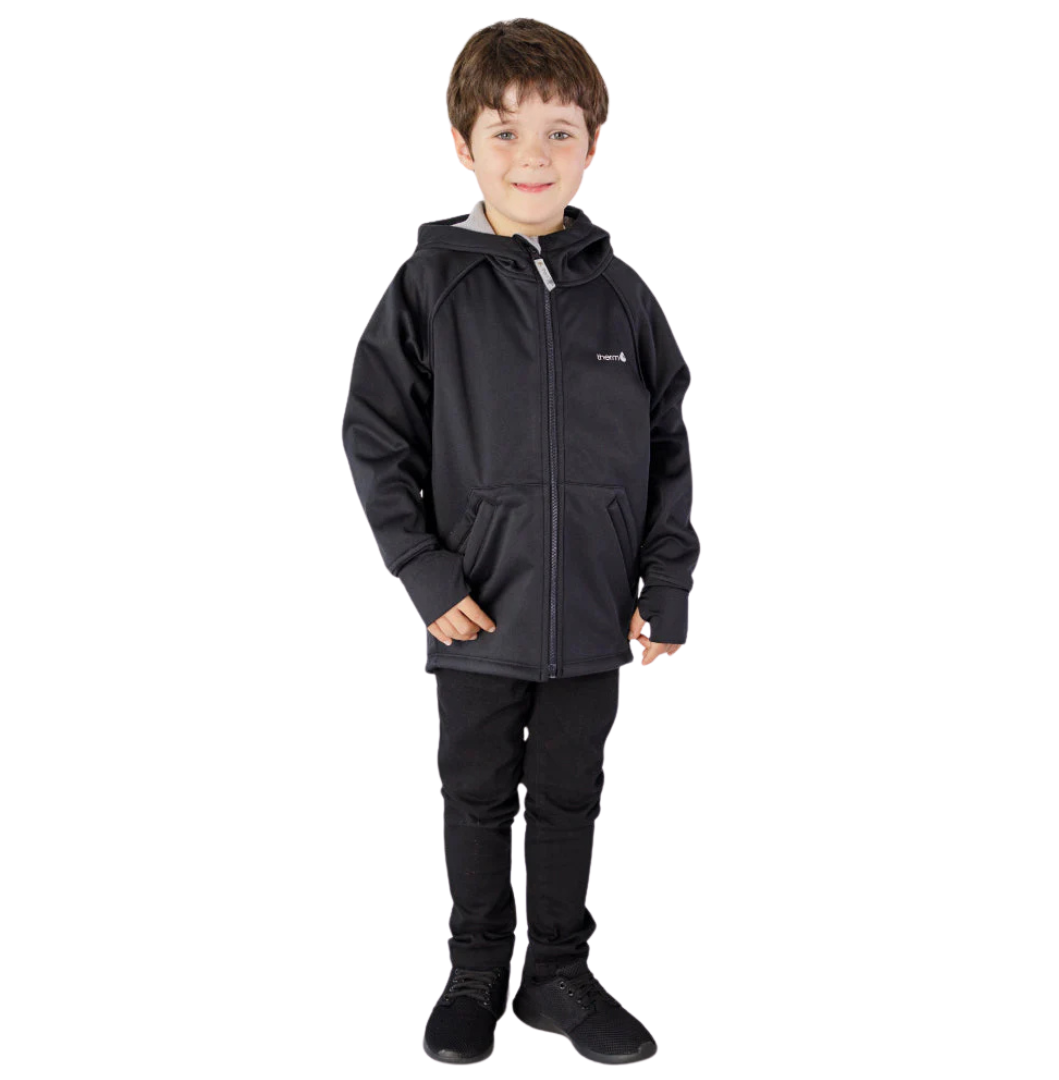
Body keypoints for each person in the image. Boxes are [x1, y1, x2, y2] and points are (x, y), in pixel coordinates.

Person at [341, 17, 699, 1066]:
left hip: (592, 612)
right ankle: (475, 971)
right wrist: (424, 572)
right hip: (477, 613)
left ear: (593, 145)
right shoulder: (429, 288)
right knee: (477, 795)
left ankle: (557, 976)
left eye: (558, 132)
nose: (532, 156)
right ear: (463, 146)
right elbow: (374, 435)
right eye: (505, 132)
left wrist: (666, 583)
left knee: (572, 795)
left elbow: (666, 443)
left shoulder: (622, 296)